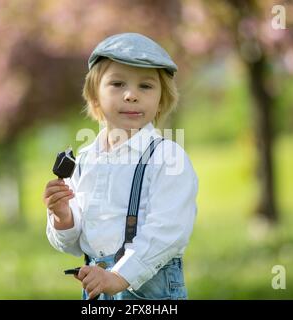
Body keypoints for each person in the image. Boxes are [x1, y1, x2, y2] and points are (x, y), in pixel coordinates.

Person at [43, 33, 198, 300]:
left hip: (150, 290)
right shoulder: (84, 160)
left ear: (162, 99)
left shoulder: (167, 157)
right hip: (97, 287)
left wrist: (120, 276)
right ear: (94, 95)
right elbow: (71, 241)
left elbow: (168, 231)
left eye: (146, 87)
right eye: (117, 84)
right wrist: (63, 217)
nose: (130, 95)